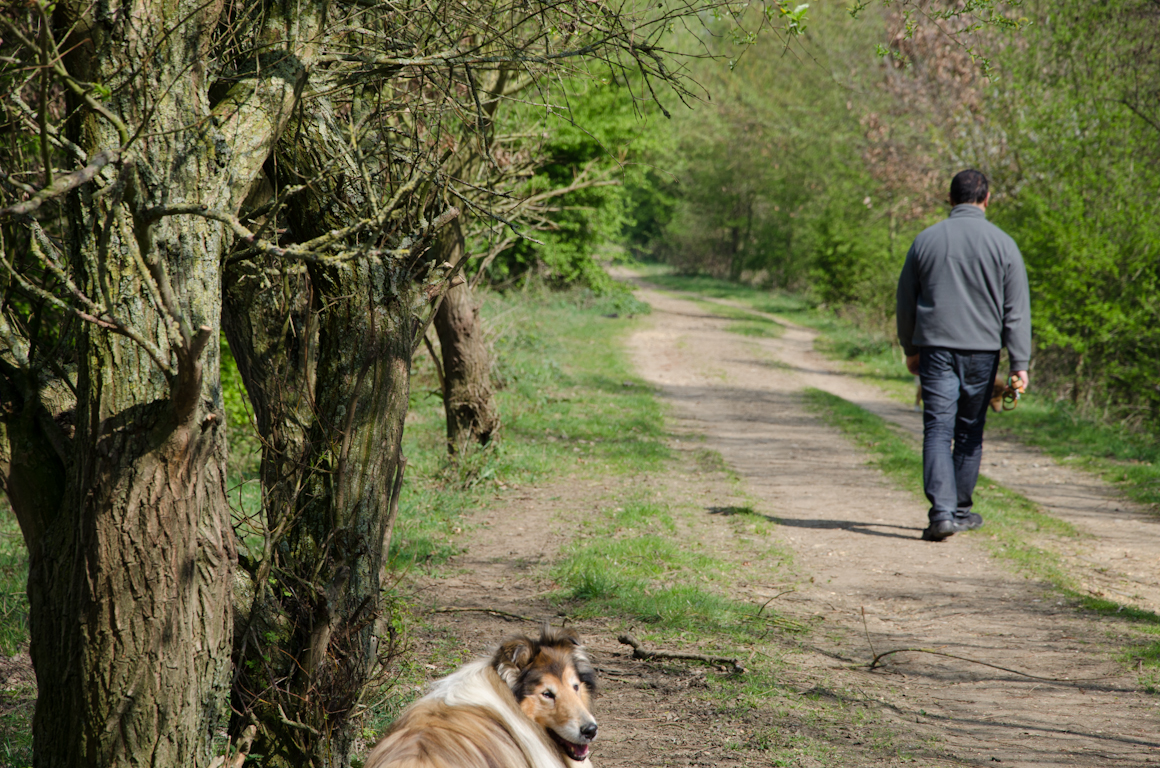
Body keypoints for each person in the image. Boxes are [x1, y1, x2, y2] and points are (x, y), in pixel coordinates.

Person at [896, 169, 1031, 542]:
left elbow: (906, 303)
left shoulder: (926, 240)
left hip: (936, 349)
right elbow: (1016, 311)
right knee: (970, 431)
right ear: (987, 199)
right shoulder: (1004, 245)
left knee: (937, 429)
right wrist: (1019, 364)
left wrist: (911, 350)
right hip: (983, 352)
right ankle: (959, 510)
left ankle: (942, 515)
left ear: (950, 199)